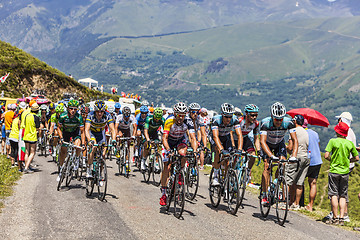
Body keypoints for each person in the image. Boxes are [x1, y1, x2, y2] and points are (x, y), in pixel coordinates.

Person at [259, 102, 298, 205]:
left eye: (281, 119)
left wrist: (294, 155)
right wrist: (271, 156)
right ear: (272, 116)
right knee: (267, 166)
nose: (279, 121)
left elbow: (295, 140)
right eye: (276, 119)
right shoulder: (265, 123)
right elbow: (262, 141)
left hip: (279, 143)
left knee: (283, 163)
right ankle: (264, 194)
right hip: (267, 144)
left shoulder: (289, 122)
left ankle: (276, 182)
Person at [159, 102, 197, 206]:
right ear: (175, 114)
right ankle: (163, 193)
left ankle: (180, 174)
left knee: (183, 154)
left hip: (180, 140)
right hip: (169, 142)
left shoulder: (188, 121)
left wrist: (194, 150)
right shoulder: (169, 120)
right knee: (167, 166)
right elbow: (164, 138)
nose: (181, 117)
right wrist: (168, 150)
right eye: (179, 115)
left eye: (183, 115)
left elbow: (193, 138)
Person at [324, 122, 359, 225]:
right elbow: (357, 158)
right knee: (343, 195)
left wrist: (332, 160)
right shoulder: (350, 144)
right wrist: (349, 161)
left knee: (334, 194)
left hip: (334, 171)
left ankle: (334, 217)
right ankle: (341, 218)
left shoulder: (332, 141)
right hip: (345, 172)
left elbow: (326, 155)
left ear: (337, 131)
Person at [211, 103, 243, 186]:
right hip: (216, 137)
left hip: (226, 137)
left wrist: (239, 149)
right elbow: (215, 136)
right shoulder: (216, 120)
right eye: (226, 116)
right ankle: (215, 177)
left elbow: (239, 135)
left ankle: (225, 181)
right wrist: (221, 149)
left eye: (230, 116)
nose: (228, 119)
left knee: (229, 159)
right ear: (222, 115)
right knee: (218, 151)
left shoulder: (235, 120)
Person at [85, 100, 117, 178]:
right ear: (95, 110)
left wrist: (113, 140)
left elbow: (112, 129)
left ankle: (100, 173)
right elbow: (86, 129)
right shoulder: (90, 115)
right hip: (92, 132)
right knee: (94, 147)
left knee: (103, 154)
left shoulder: (107, 115)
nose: (100, 114)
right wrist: (89, 140)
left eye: (102, 111)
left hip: (101, 133)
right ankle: (89, 169)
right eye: (98, 111)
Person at [56, 100, 85, 181]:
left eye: (75, 109)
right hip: (65, 133)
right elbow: (58, 128)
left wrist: (83, 143)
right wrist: (61, 138)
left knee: (78, 146)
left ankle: (76, 159)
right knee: (63, 152)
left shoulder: (79, 117)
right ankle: (61, 171)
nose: (73, 111)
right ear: (68, 108)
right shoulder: (62, 116)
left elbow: (82, 131)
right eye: (71, 108)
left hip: (75, 133)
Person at [286, 115, 309, 210]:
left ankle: (287, 201)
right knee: (299, 182)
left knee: (288, 180)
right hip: (306, 158)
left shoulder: (293, 131)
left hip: (296, 157)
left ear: (295, 122)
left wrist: (285, 147)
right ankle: (296, 204)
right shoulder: (305, 132)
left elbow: (291, 148)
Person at [302, 119, 322, 212]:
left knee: (299, 181)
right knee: (313, 183)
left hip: (307, 159)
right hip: (317, 160)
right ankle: (310, 205)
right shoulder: (315, 133)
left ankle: (299, 202)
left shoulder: (301, 133)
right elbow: (318, 145)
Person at [141, 107, 165, 171]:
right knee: (146, 145)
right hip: (147, 132)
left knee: (157, 147)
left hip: (154, 133)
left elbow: (165, 131)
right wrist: (148, 140)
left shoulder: (162, 120)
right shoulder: (149, 119)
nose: (157, 120)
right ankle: (143, 161)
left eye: (158, 119)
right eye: (156, 118)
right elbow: (145, 131)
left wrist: (164, 140)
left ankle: (156, 163)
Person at [23, 103, 40, 173]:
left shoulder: (27, 116)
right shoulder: (36, 117)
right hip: (32, 136)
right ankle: (26, 168)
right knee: (32, 152)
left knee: (27, 152)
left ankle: (27, 166)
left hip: (26, 135)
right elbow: (37, 127)